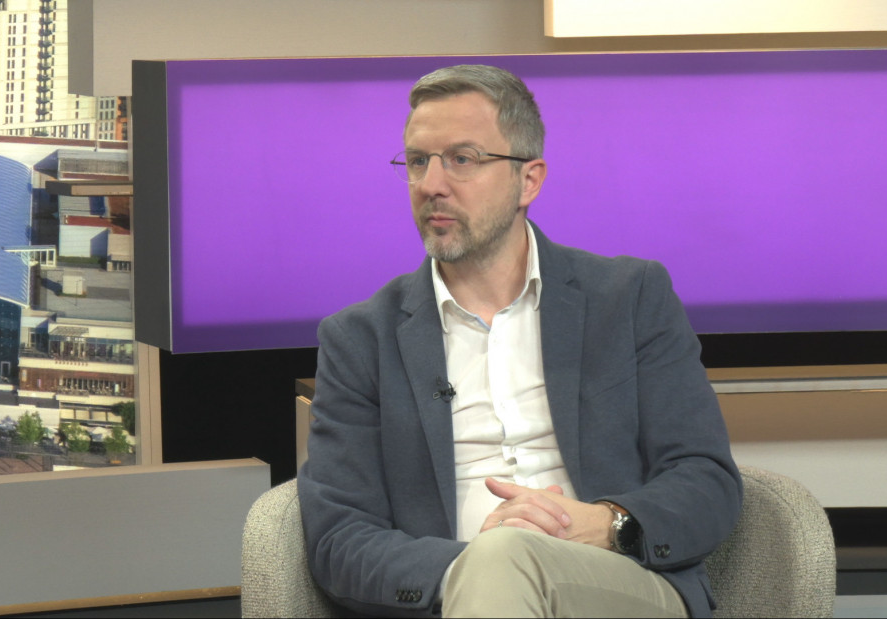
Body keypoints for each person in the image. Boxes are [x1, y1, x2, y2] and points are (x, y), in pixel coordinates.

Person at [298, 64, 742, 618]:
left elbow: (705, 481)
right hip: (448, 593)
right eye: (417, 161)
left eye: (462, 159)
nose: (432, 184)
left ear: (528, 180)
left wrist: (607, 523)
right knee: (502, 558)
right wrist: (479, 564)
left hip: (616, 584)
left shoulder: (628, 298)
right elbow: (340, 539)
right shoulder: (360, 339)